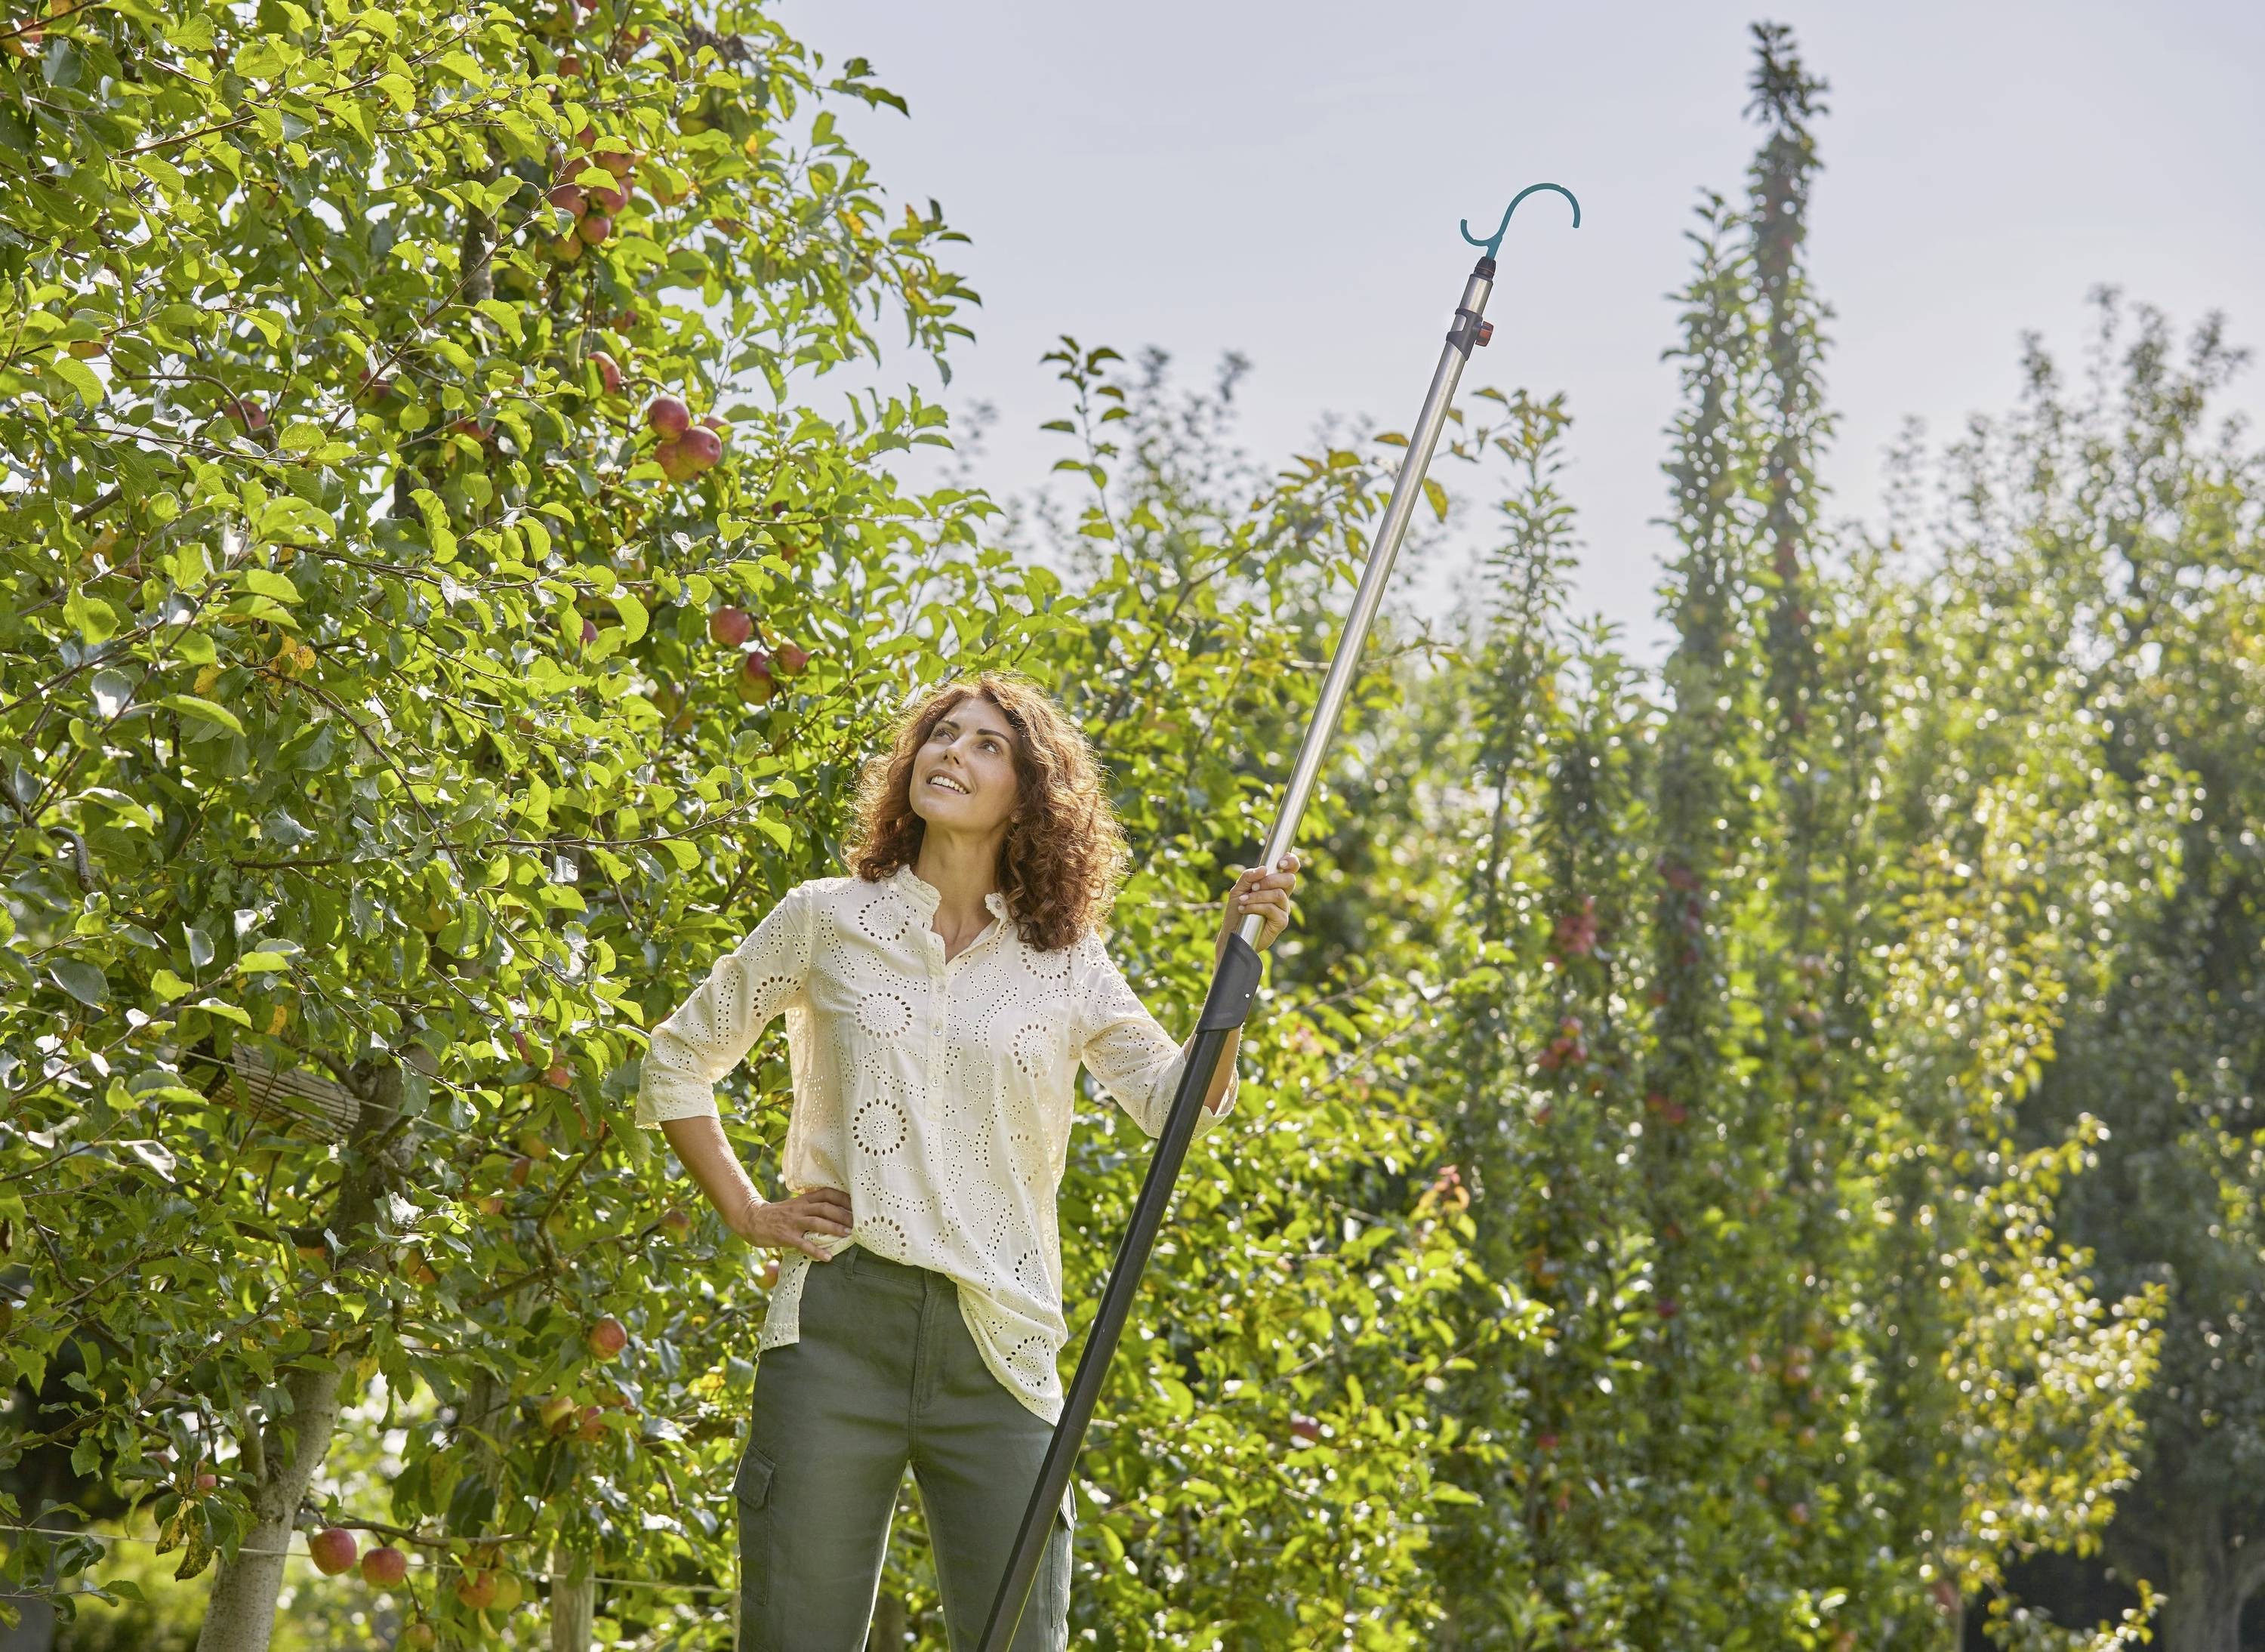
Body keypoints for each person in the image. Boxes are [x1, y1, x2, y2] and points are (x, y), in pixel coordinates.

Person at [634, 669, 1299, 1652]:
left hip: (1002, 1346)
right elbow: (679, 1058)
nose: (953, 751)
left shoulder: (1066, 961)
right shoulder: (827, 918)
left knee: (1022, 1638)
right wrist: (746, 1210)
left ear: (1031, 795)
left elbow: (1178, 1108)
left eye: (989, 744)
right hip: (836, 1331)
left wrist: (1229, 972)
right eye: (942, 734)